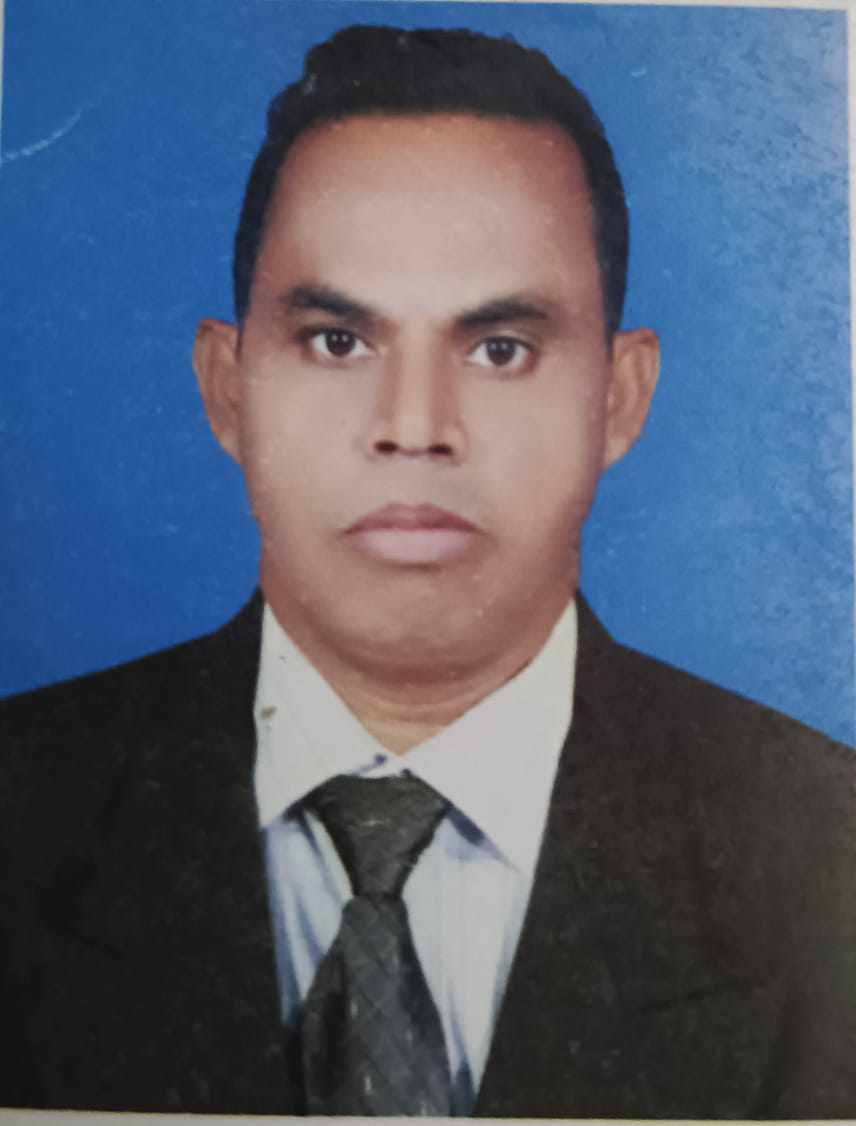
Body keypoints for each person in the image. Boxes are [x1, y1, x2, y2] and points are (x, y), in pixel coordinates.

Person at [1, 23, 854, 1119]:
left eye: (499, 348)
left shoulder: (825, 855)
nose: (413, 426)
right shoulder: (23, 810)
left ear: (618, 399)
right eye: (337, 340)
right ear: (227, 388)